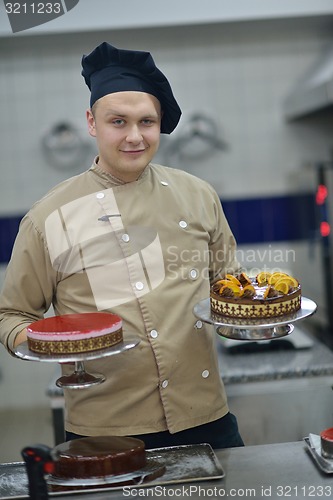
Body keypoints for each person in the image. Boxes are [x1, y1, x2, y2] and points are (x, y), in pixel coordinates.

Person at [0, 42, 244, 449]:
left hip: (206, 416)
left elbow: (228, 288)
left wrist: (251, 317)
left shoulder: (198, 195)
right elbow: (11, 315)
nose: (134, 136)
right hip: (105, 428)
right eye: (118, 122)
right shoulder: (50, 217)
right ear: (92, 123)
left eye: (146, 122)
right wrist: (49, 344)